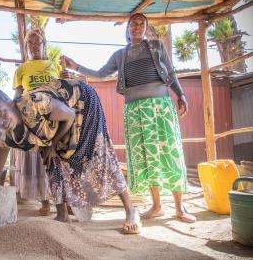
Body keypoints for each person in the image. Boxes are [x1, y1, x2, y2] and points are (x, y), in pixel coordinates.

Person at [61, 13, 196, 223]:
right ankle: (157, 206)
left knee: (170, 153)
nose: (137, 27)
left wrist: (181, 94)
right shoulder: (120, 55)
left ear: (146, 28)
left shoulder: (157, 47)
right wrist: (76, 66)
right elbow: (101, 73)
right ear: (127, 28)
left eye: (142, 24)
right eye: (134, 23)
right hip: (134, 110)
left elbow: (170, 73)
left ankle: (179, 207)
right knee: (145, 156)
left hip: (160, 107)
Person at [0, 79, 141, 234]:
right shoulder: (4, 136)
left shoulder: (34, 103)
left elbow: (70, 115)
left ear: (10, 103)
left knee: (99, 154)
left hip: (82, 102)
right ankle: (63, 216)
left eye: (0, 112)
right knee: (51, 161)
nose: (0, 121)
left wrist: (53, 146)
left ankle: (131, 210)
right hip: (60, 121)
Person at [12, 28, 62, 216]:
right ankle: (45, 201)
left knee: (53, 157)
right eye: (30, 43)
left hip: (52, 118)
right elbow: (17, 95)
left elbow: (60, 89)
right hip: (30, 118)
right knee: (36, 159)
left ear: (44, 44)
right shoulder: (22, 69)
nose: (34, 46)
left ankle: (60, 201)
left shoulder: (53, 65)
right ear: (26, 47)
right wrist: (13, 114)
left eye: (37, 42)